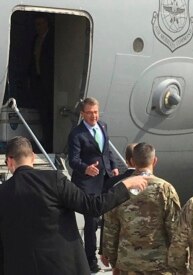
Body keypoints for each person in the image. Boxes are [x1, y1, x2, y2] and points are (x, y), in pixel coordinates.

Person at [0, 136, 148, 275]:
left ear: (10, 161)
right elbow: (93, 207)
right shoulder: (55, 180)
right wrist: (125, 185)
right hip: (63, 267)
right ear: (33, 156)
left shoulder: (3, 192)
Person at [102, 142, 181, 275]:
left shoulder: (119, 188)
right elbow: (174, 228)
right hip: (158, 264)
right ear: (154, 161)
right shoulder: (165, 189)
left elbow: (111, 226)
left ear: (132, 161)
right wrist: (178, 261)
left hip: (127, 263)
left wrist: (112, 258)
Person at [68, 97, 119, 272]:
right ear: (83, 114)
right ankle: (90, 259)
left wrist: (114, 167)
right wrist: (86, 168)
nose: (94, 116)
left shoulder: (103, 126)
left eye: (96, 112)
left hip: (104, 179)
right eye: (89, 113)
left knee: (107, 218)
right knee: (91, 222)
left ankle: (106, 252)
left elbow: (107, 150)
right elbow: (73, 160)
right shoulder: (77, 134)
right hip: (87, 183)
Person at [100, 143, 137, 273]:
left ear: (127, 161)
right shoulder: (161, 186)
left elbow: (107, 219)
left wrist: (104, 250)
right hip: (154, 257)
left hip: (123, 253)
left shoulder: (113, 184)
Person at [29, 13, 54, 152]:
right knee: (42, 114)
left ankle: (50, 145)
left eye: (40, 24)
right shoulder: (36, 39)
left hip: (51, 83)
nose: (38, 27)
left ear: (46, 23)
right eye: (36, 24)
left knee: (50, 114)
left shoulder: (53, 39)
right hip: (39, 81)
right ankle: (45, 143)